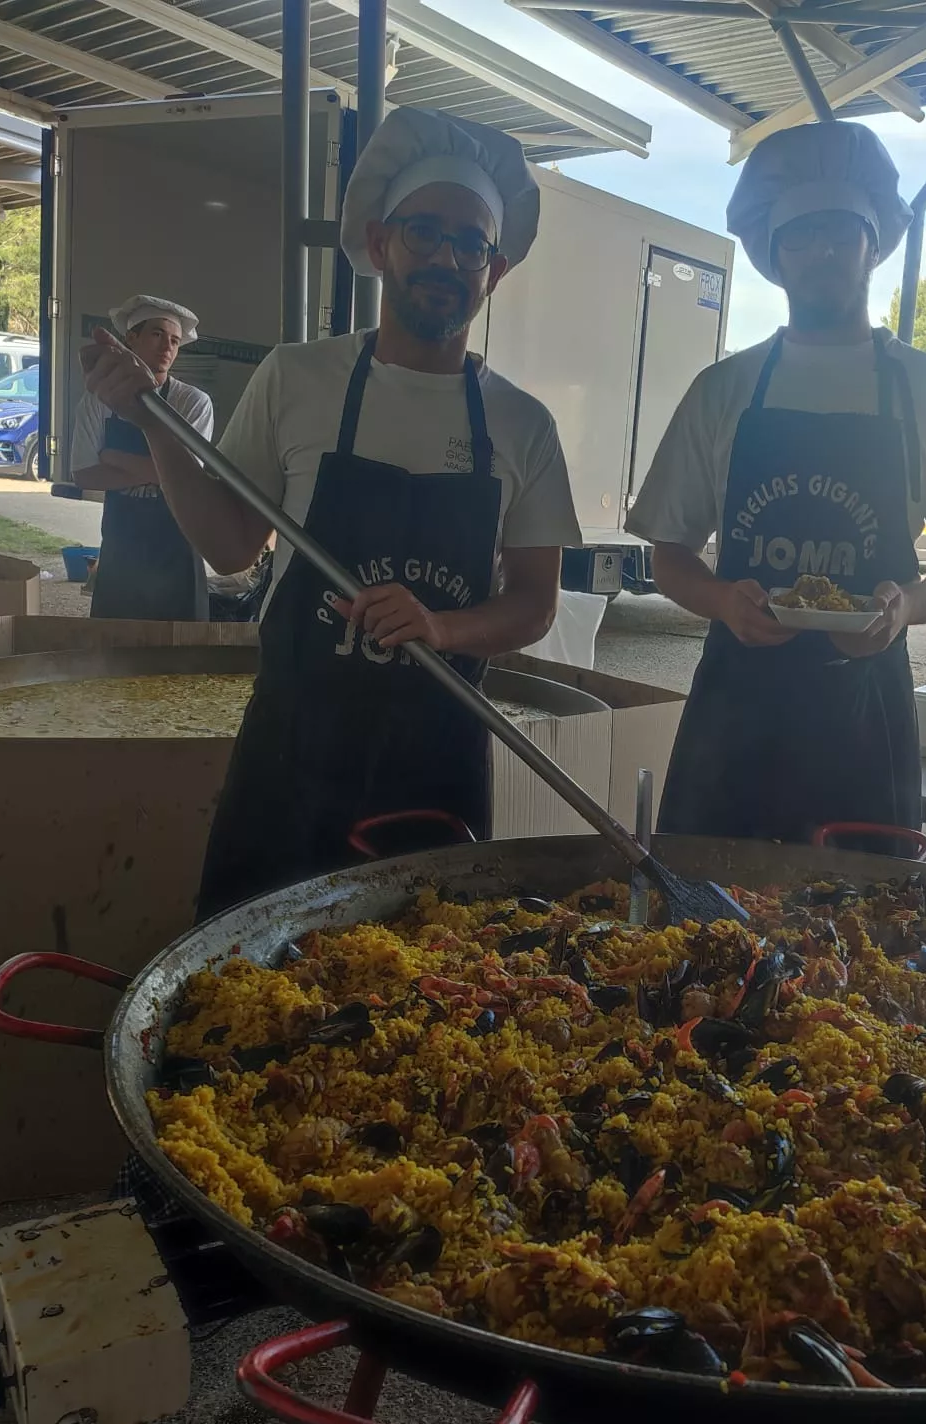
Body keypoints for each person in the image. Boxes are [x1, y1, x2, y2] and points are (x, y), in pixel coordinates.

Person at [83, 107, 577, 919]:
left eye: (471, 243)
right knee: (248, 985)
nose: (446, 259)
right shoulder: (296, 378)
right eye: (425, 233)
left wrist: (443, 629)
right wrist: (154, 422)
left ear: (496, 269)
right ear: (381, 243)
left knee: (423, 1001)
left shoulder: (523, 425)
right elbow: (232, 545)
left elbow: (534, 602)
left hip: (437, 760)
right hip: (293, 750)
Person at [624, 122, 926, 854]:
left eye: (840, 231)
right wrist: (721, 601)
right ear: (775, 254)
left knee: (866, 941)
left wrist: (906, 607)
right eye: (802, 236)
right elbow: (669, 553)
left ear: (873, 242)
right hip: (735, 709)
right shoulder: (724, 389)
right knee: (704, 922)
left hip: (866, 714)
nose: (823, 252)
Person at [71, 296, 216, 620]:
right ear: (131, 338)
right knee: (112, 654)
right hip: (122, 549)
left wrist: (113, 457)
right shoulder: (98, 401)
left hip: (179, 550)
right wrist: (159, 472)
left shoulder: (192, 402)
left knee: (182, 660)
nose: (167, 346)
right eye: (156, 334)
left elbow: (190, 478)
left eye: (175, 340)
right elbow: (83, 475)